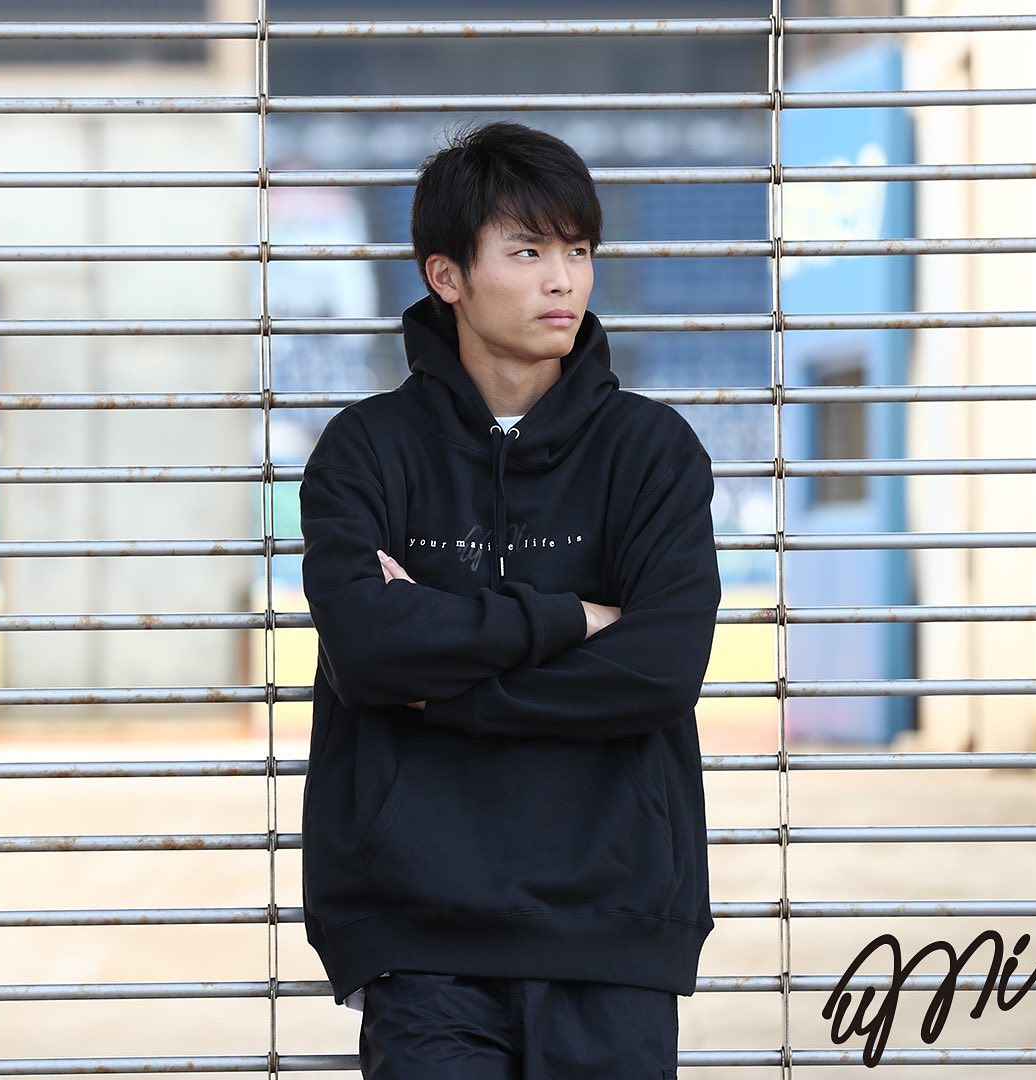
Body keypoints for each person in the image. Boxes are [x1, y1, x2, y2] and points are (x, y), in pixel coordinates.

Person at [299, 120, 721, 1080]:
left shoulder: (651, 452)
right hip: (419, 933)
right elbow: (368, 648)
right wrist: (570, 619)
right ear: (446, 276)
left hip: (614, 928)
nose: (563, 280)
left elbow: (659, 670)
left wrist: (444, 685)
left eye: (578, 251)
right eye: (528, 252)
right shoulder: (366, 452)